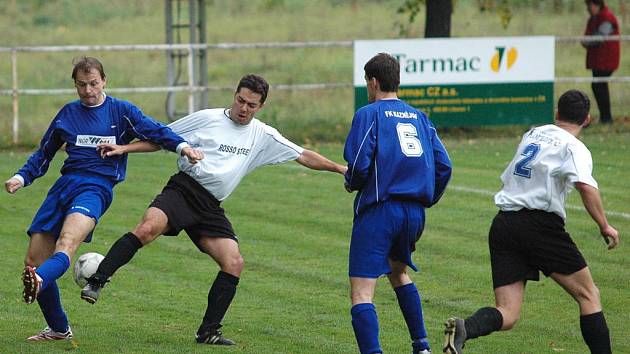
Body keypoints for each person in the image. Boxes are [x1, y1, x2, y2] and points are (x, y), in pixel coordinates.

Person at [78, 74, 347, 345]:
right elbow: (163, 138)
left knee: (234, 262)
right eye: (240, 100)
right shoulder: (207, 118)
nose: (244, 108)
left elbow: (303, 155)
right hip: (183, 190)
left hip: (210, 207)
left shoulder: (263, 135)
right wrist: (125, 148)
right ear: (234, 95)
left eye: (251, 105)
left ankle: (208, 332)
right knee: (147, 229)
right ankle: (97, 281)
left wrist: (339, 168)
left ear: (260, 107)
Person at [4, 56, 202, 341]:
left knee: (66, 243)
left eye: (93, 83)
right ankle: (59, 328)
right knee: (33, 262)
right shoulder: (67, 114)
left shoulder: (121, 111)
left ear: (104, 81)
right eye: (81, 85)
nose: (88, 90)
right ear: (75, 84)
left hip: (95, 189)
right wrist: (21, 178)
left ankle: (38, 281)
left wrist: (183, 147)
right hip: (63, 187)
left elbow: (156, 131)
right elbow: (44, 153)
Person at [442, 90, 620, 354]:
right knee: (589, 295)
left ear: (557, 114)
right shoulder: (574, 147)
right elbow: (585, 185)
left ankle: (466, 328)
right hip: (539, 225)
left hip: (504, 224)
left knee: (508, 313)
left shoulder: (533, 133)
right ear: (587, 119)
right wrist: (604, 224)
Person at [343, 53, 452, 354]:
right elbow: (445, 166)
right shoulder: (419, 116)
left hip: (381, 210)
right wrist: (426, 198)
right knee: (398, 272)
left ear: (374, 82)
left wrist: (351, 182)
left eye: (367, 82)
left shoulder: (369, 114)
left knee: (362, 293)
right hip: (414, 214)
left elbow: (360, 163)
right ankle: (422, 347)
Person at [582, 0, 620, 124]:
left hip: (606, 59)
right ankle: (605, 118)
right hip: (599, 59)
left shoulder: (606, 18)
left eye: (589, 5)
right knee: (599, 85)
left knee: (599, 85)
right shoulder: (595, 18)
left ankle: (606, 118)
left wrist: (586, 41)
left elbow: (600, 36)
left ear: (597, 5)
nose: (588, 8)